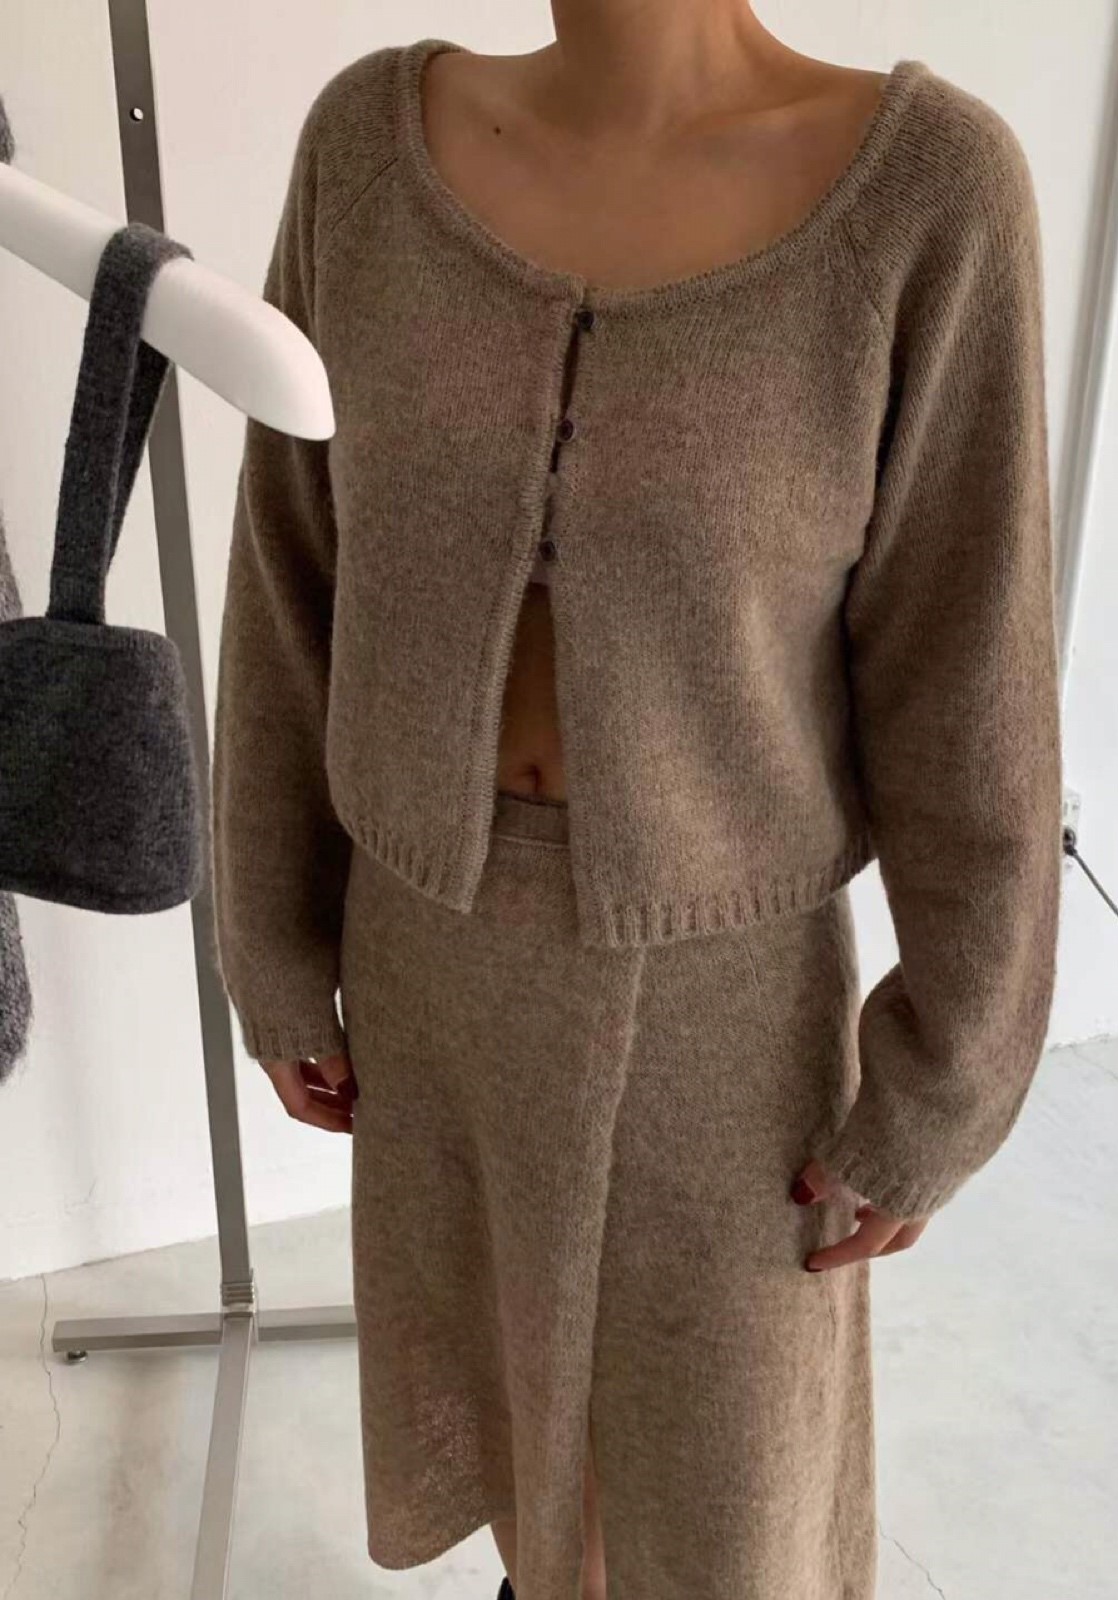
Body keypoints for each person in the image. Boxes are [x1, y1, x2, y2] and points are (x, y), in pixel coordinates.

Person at [210, 9, 1063, 1600]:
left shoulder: (926, 193)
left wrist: (947, 1074)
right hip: (432, 959)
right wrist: (271, 936)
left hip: (726, 1007)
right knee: (525, 1461)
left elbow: (971, 675)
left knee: (724, 1499)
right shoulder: (365, 153)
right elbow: (289, 575)